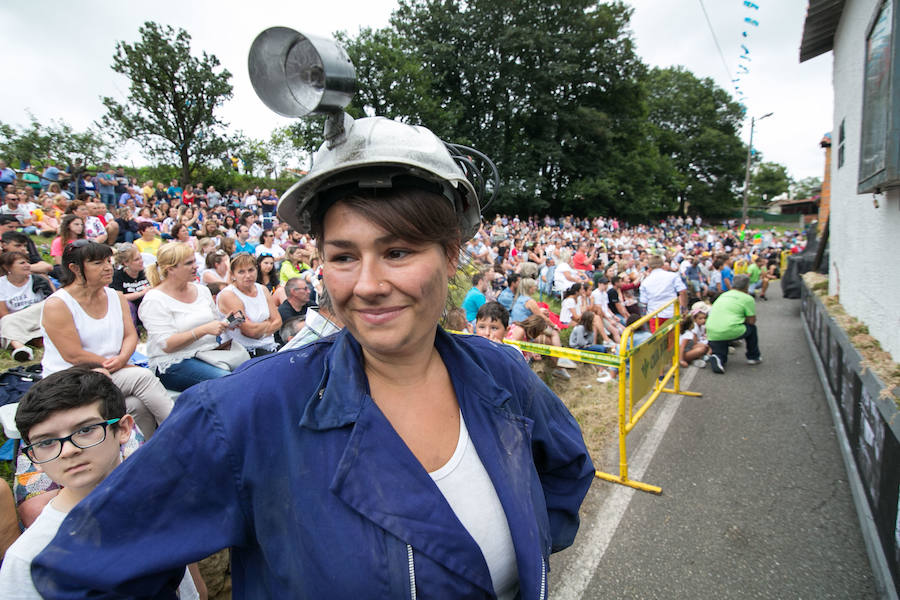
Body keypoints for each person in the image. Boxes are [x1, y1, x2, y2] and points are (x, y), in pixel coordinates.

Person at [31, 114, 593, 598]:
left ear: (451, 256)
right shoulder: (244, 413)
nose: (369, 284)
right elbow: (86, 569)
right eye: (344, 256)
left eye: (398, 251)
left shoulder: (499, 372)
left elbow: (565, 474)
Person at [0, 366, 202, 598]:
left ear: (124, 429)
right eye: (46, 443)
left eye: (85, 430)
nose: (67, 450)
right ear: (34, 457)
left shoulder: (156, 510)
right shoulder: (29, 556)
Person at [40, 241, 174, 438]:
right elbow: (73, 354)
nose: (107, 267)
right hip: (71, 378)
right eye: (97, 263)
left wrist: (121, 360)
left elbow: (131, 336)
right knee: (143, 377)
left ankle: (150, 451)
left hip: (111, 370)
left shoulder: (115, 296)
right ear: (75, 268)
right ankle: (181, 433)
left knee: (136, 406)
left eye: (108, 261)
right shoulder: (58, 304)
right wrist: (117, 363)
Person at [139, 243, 235, 391]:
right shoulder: (155, 299)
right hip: (175, 363)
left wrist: (225, 324)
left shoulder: (202, 290)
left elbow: (213, 323)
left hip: (209, 354)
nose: (196, 266)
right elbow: (167, 345)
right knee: (228, 382)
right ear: (170, 269)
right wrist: (202, 330)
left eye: (194, 261)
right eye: (189, 263)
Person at [216, 253, 281, 357]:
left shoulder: (263, 289)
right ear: (233, 275)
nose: (248, 275)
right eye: (241, 272)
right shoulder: (228, 295)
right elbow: (249, 331)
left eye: (251, 270)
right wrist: (267, 323)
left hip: (270, 346)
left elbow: (278, 321)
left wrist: (259, 329)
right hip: (244, 351)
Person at [0, 251, 54, 362]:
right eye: (22, 263)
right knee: (6, 320)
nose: (27, 265)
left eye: (27, 262)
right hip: (18, 321)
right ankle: (21, 349)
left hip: (42, 315)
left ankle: (20, 345)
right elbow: (4, 313)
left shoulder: (39, 280)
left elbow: (54, 301)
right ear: (7, 267)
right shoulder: (2, 284)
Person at [705, 274, 762, 374]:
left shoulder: (723, 294)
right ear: (747, 286)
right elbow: (751, 321)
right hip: (730, 329)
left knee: (720, 352)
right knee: (752, 329)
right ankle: (753, 357)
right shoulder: (747, 298)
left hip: (711, 330)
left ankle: (718, 357)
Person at [639, 254, 687, 333]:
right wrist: (684, 308)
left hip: (655, 315)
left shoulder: (645, 282)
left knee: (658, 342)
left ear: (649, 266)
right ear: (662, 264)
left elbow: (644, 301)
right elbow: (683, 291)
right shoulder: (672, 276)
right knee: (672, 341)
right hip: (671, 313)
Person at [111, 243, 151, 328]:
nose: (141, 261)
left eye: (141, 258)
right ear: (126, 263)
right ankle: (132, 332)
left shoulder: (146, 272)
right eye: (136, 260)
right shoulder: (118, 276)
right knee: (128, 305)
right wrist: (141, 293)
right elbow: (118, 297)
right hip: (128, 310)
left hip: (145, 307)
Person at [678, 302, 711, 368]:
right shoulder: (688, 335)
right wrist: (681, 360)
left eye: (704, 318)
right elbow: (681, 348)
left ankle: (696, 358)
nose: (704, 320)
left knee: (705, 347)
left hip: (688, 349)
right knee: (701, 350)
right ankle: (692, 360)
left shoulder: (691, 332)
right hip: (681, 353)